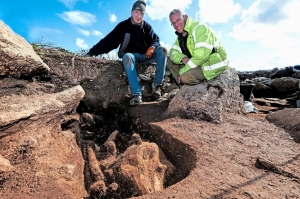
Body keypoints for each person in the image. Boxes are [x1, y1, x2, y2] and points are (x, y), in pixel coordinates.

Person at [86, 0, 167, 106]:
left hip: (147, 56)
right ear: (131, 12)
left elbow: (156, 40)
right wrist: (92, 52)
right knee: (127, 57)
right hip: (132, 56)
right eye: (136, 12)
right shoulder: (124, 26)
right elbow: (109, 41)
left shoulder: (147, 27)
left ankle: (157, 86)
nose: (138, 16)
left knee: (163, 50)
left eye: (141, 14)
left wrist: (152, 47)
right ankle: (137, 94)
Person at [167, 9, 228, 85]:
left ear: (185, 17)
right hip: (197, 63)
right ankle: (184, 87)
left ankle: (201, 86)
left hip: (212, 63)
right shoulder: (180, 37)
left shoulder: (200, 28)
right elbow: (173, 51)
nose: (176, 25)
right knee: (170, 63)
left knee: (185, 77)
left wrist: (182, 71)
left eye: (178, 20)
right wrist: (183, 58)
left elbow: (200, 57)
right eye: (173, 23)